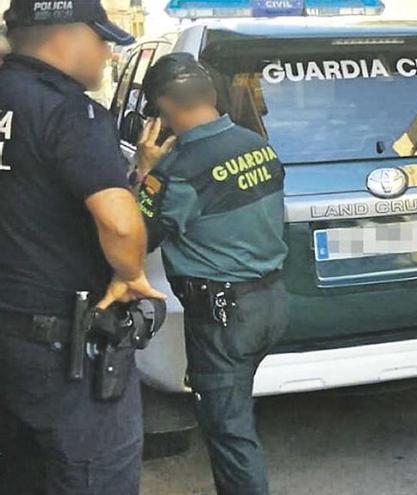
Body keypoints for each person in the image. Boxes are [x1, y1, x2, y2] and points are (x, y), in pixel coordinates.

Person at [0, 0, 164, 493]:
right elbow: (119, 223)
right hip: (63, 346)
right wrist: (131, 274)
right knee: (96, 472)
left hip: (12, 336)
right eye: (103, 40)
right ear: (65, 35)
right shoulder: (70, 111)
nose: (110, 55)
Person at [133, 53, 288, 495]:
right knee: (236, 411)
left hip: (223, 316)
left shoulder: (178, 170)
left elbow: (134, 239)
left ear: (164, 110)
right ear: (211, 95)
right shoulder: (258, 144)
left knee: (229, 431)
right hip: (272, 303)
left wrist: (146, 172)